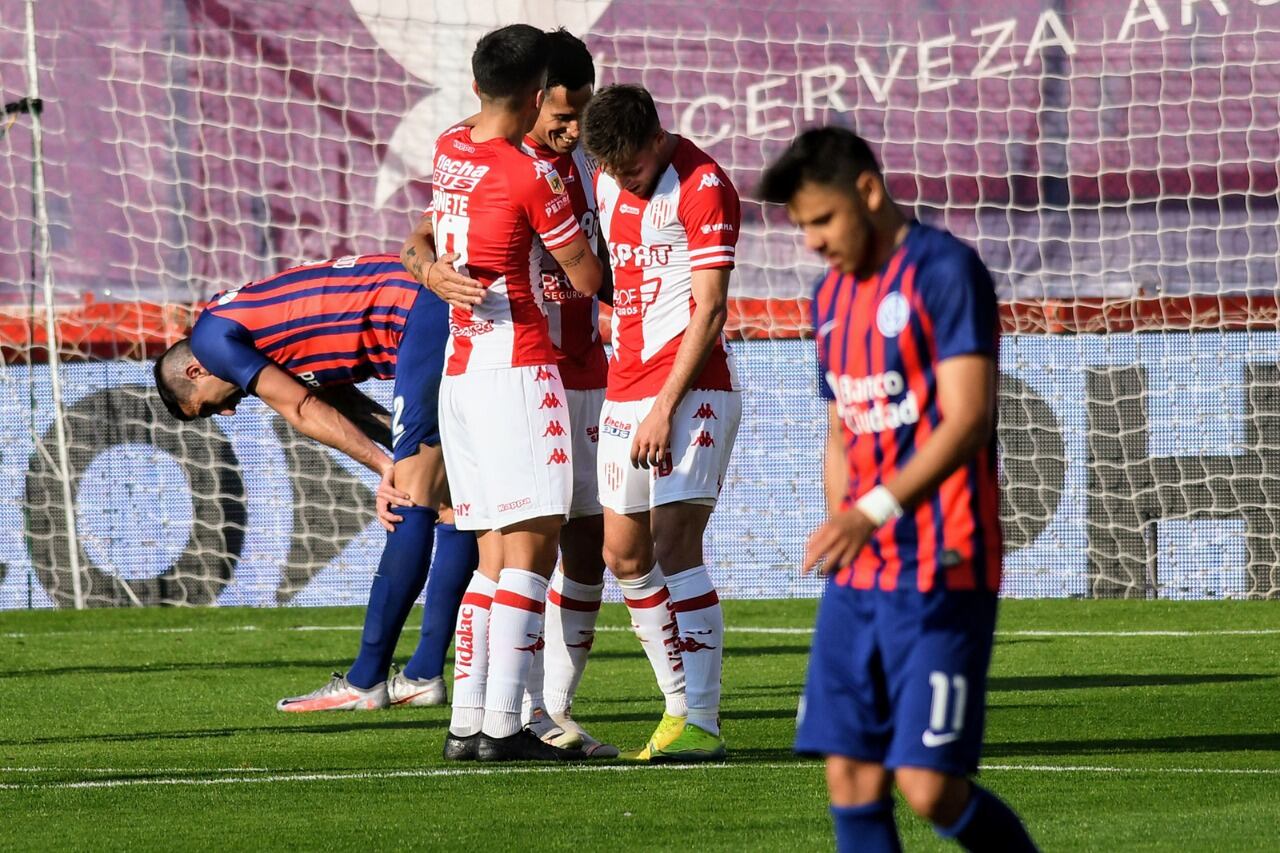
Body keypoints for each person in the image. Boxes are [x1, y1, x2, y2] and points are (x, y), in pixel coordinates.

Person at [758, 127, 1038, 852]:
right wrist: (841, 522)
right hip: (862, 573)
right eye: (802, 229)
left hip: (943, 562)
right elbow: (841, 429)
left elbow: (969, 416)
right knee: (849, 774)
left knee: (928, 786)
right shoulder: (828, 298)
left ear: (869, 192)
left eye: (822, 221)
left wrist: (871, 510)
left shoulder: (945, 270)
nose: (814, 242)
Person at [401, 28, 617, 757]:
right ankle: (506, 725)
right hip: (521, 369)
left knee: (494, 553)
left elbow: (423, 235)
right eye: (557, 112)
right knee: (532, 545)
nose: (567, 128)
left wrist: (430, 268)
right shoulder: (534, 175)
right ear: (533, 99)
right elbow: (588, 277)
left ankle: (470, 721)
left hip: (464, 372)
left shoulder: (451, 149)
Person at [153, 253, 479, 712]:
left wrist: (389, 468)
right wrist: (396, 455)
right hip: (437, 305)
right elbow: (347, 404)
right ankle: (423, 673)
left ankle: (365, 680)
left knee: (410, 495)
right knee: (449, 500)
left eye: (206, 407)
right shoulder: (270, 337)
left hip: (421, 311)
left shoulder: (212, 339)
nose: (225, 413)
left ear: (195, 371)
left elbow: (302, 408)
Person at [581, 84, 742, 762]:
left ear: (656, 137)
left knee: (676, 545)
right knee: (623, 554)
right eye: (611, 171)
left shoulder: (703, 184)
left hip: (691, 390)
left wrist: (663, 405)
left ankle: (702, 720)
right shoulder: (610, 177)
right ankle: (675, 702)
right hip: (626, 388)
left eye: (632, 168)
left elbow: (709, 309)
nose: (622, 180)